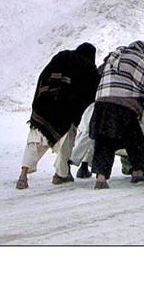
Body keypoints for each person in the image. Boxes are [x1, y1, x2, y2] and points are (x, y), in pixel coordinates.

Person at [16, 43, 99, 190]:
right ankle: (60, 175)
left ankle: (23, 175)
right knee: (65, 143)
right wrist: (77, 115)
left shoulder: (62, 56)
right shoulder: (89, 69)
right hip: (65, 111)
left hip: (42, 106)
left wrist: (39, 101)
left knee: (34, 141)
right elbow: (89, 96)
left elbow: (43, 76)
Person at [89, 41, 144, 189]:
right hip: (123, 105)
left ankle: (101, 178)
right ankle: (137, 172)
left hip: (102, 103)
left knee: (104, 141)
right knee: (134, 139)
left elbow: (100, 74)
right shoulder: (138, 58)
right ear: (143, 51)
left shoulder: (115, 55)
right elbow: (143, 84)